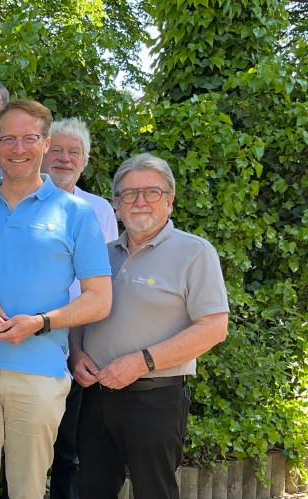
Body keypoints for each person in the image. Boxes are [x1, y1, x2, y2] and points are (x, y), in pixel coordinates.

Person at [0, 99, 112, 499]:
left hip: (40, 369)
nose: (18, 149)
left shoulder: (77, 213)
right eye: (8, 139)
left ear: (45, 143)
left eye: (29, 139)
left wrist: (41, 322)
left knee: (28, 491)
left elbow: (99, 299)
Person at [73, 153, 229, 499]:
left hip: (155, 398)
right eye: (129, 194)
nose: (140, 201)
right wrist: (76, 352)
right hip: (95, 396)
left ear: (169, 200)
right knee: (91, 491)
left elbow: (214, 328)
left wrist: (142, 361)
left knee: (154, 492)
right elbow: (81, 311)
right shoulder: (101, 253)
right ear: (116, 206)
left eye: (152, 192)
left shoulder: (195, 252)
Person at [42, 118, 119, 499]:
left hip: (81, 341)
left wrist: (83, 346)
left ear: (85, 161)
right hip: (31, 338)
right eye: (56, 149)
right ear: (42, 153)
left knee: (70, 447)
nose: (64, 158)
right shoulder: (19, 202)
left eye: (74, 152)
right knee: (20, 445)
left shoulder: (100, 209)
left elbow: (108, 281)